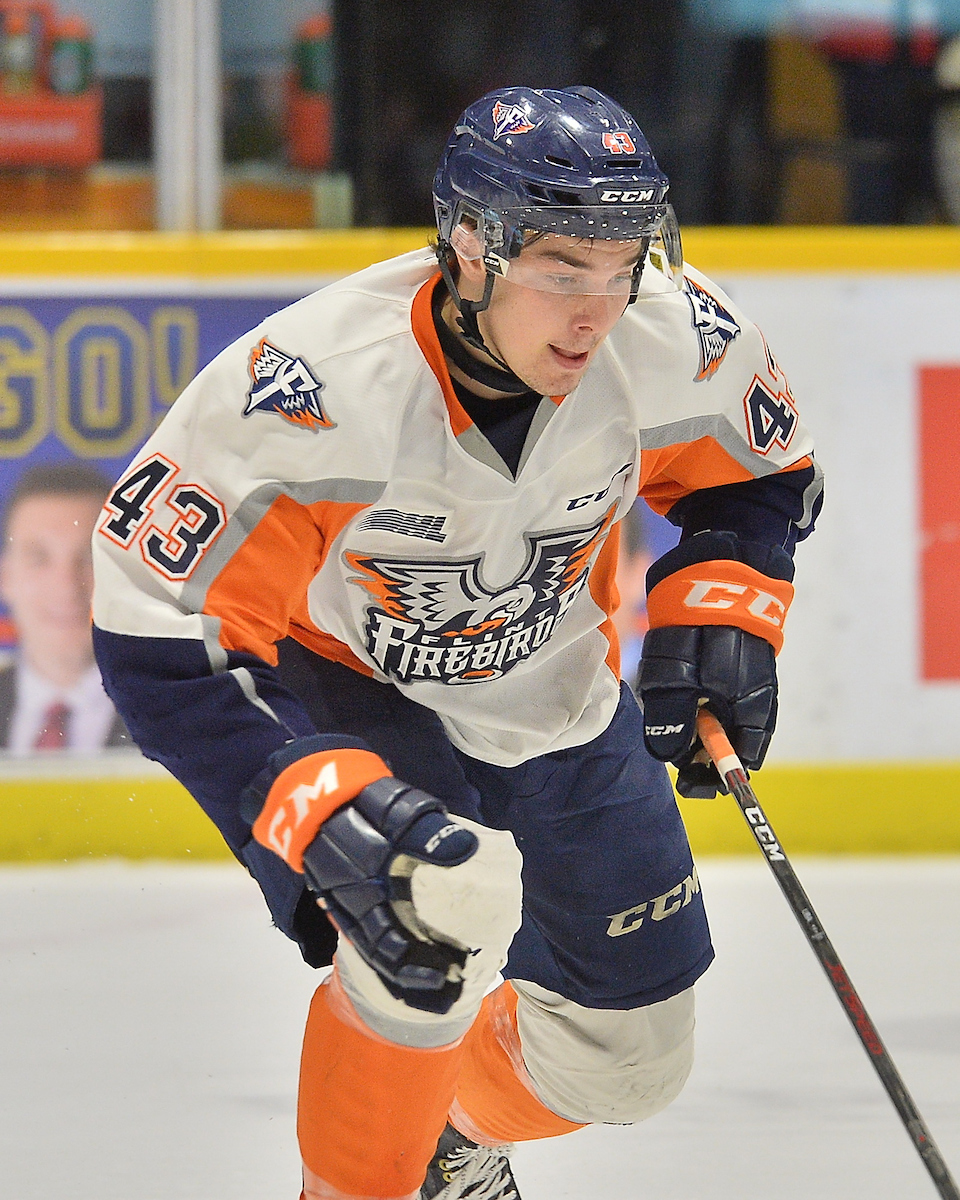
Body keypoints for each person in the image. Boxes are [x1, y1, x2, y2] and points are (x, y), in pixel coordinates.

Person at [91, 86, 822, 1200]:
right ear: (472, 249)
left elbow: (758, 473)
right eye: (564, 269)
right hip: (349, 678)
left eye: (623, 265)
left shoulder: (676, 335)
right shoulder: (312, 390)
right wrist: (300, 795)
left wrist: (723, 607)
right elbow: (155, 627)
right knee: (434, 911)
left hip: (554, 696)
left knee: (627, 1064)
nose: (598, 310)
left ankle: (446, 1134)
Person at [0, 462, 128, 752]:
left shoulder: (180, 718)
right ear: (5, 578)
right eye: (39, 557)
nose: (67, 585)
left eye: (89, 556)